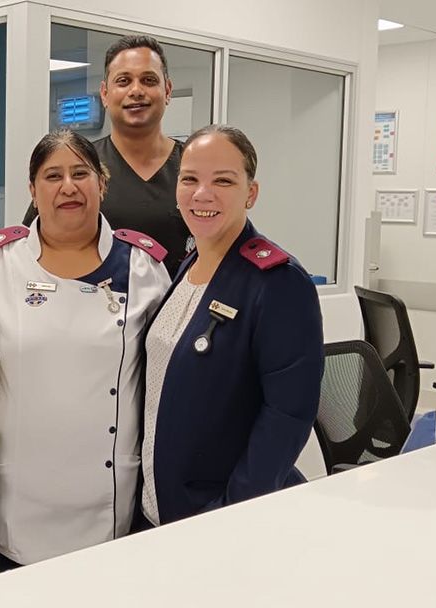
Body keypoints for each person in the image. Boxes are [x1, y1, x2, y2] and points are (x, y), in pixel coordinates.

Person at [0, 130, 170, 572]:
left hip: (106, 496)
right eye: (52, 175)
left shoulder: (143, 267)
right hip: (19, 497)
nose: (68, 186)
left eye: (81, 173)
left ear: (102, 184)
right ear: (32, 189)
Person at [139, 125, 323, 527]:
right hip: (160, 507)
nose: (202, 194)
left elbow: (288, 416)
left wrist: (231, 513)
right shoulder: (187, 267)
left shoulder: (277, 282)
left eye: (223, 180)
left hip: (220, 515)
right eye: (190, 179)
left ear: (250, 193)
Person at [24, 35, 191, 275]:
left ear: (167, 90)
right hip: (89, 304)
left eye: (148, 80)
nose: (136, 90)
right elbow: (28, 248)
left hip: (177, 308)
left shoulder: (193, 167)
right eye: (123, 81)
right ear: (104, 93)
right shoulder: (79, 166)